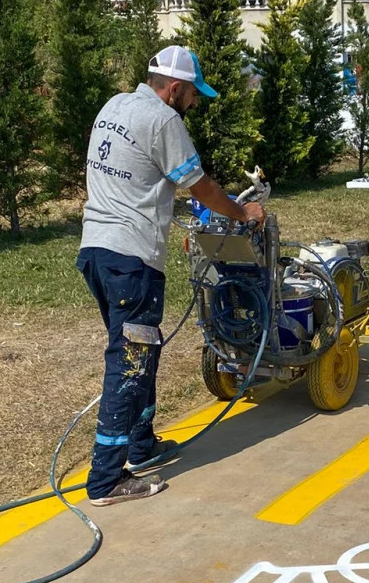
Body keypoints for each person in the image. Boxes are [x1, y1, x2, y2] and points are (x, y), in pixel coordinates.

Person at [77, 45, 265, 505]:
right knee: (130, 362)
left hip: (97, 252)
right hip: (131, 260)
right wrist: (242, 212)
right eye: (193, 94)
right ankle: (106, 479)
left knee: (143, 349)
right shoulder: (164, 121)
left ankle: (141, 448)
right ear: (174, 88)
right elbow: (198, 185)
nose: (196, 103)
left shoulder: (115, 105)